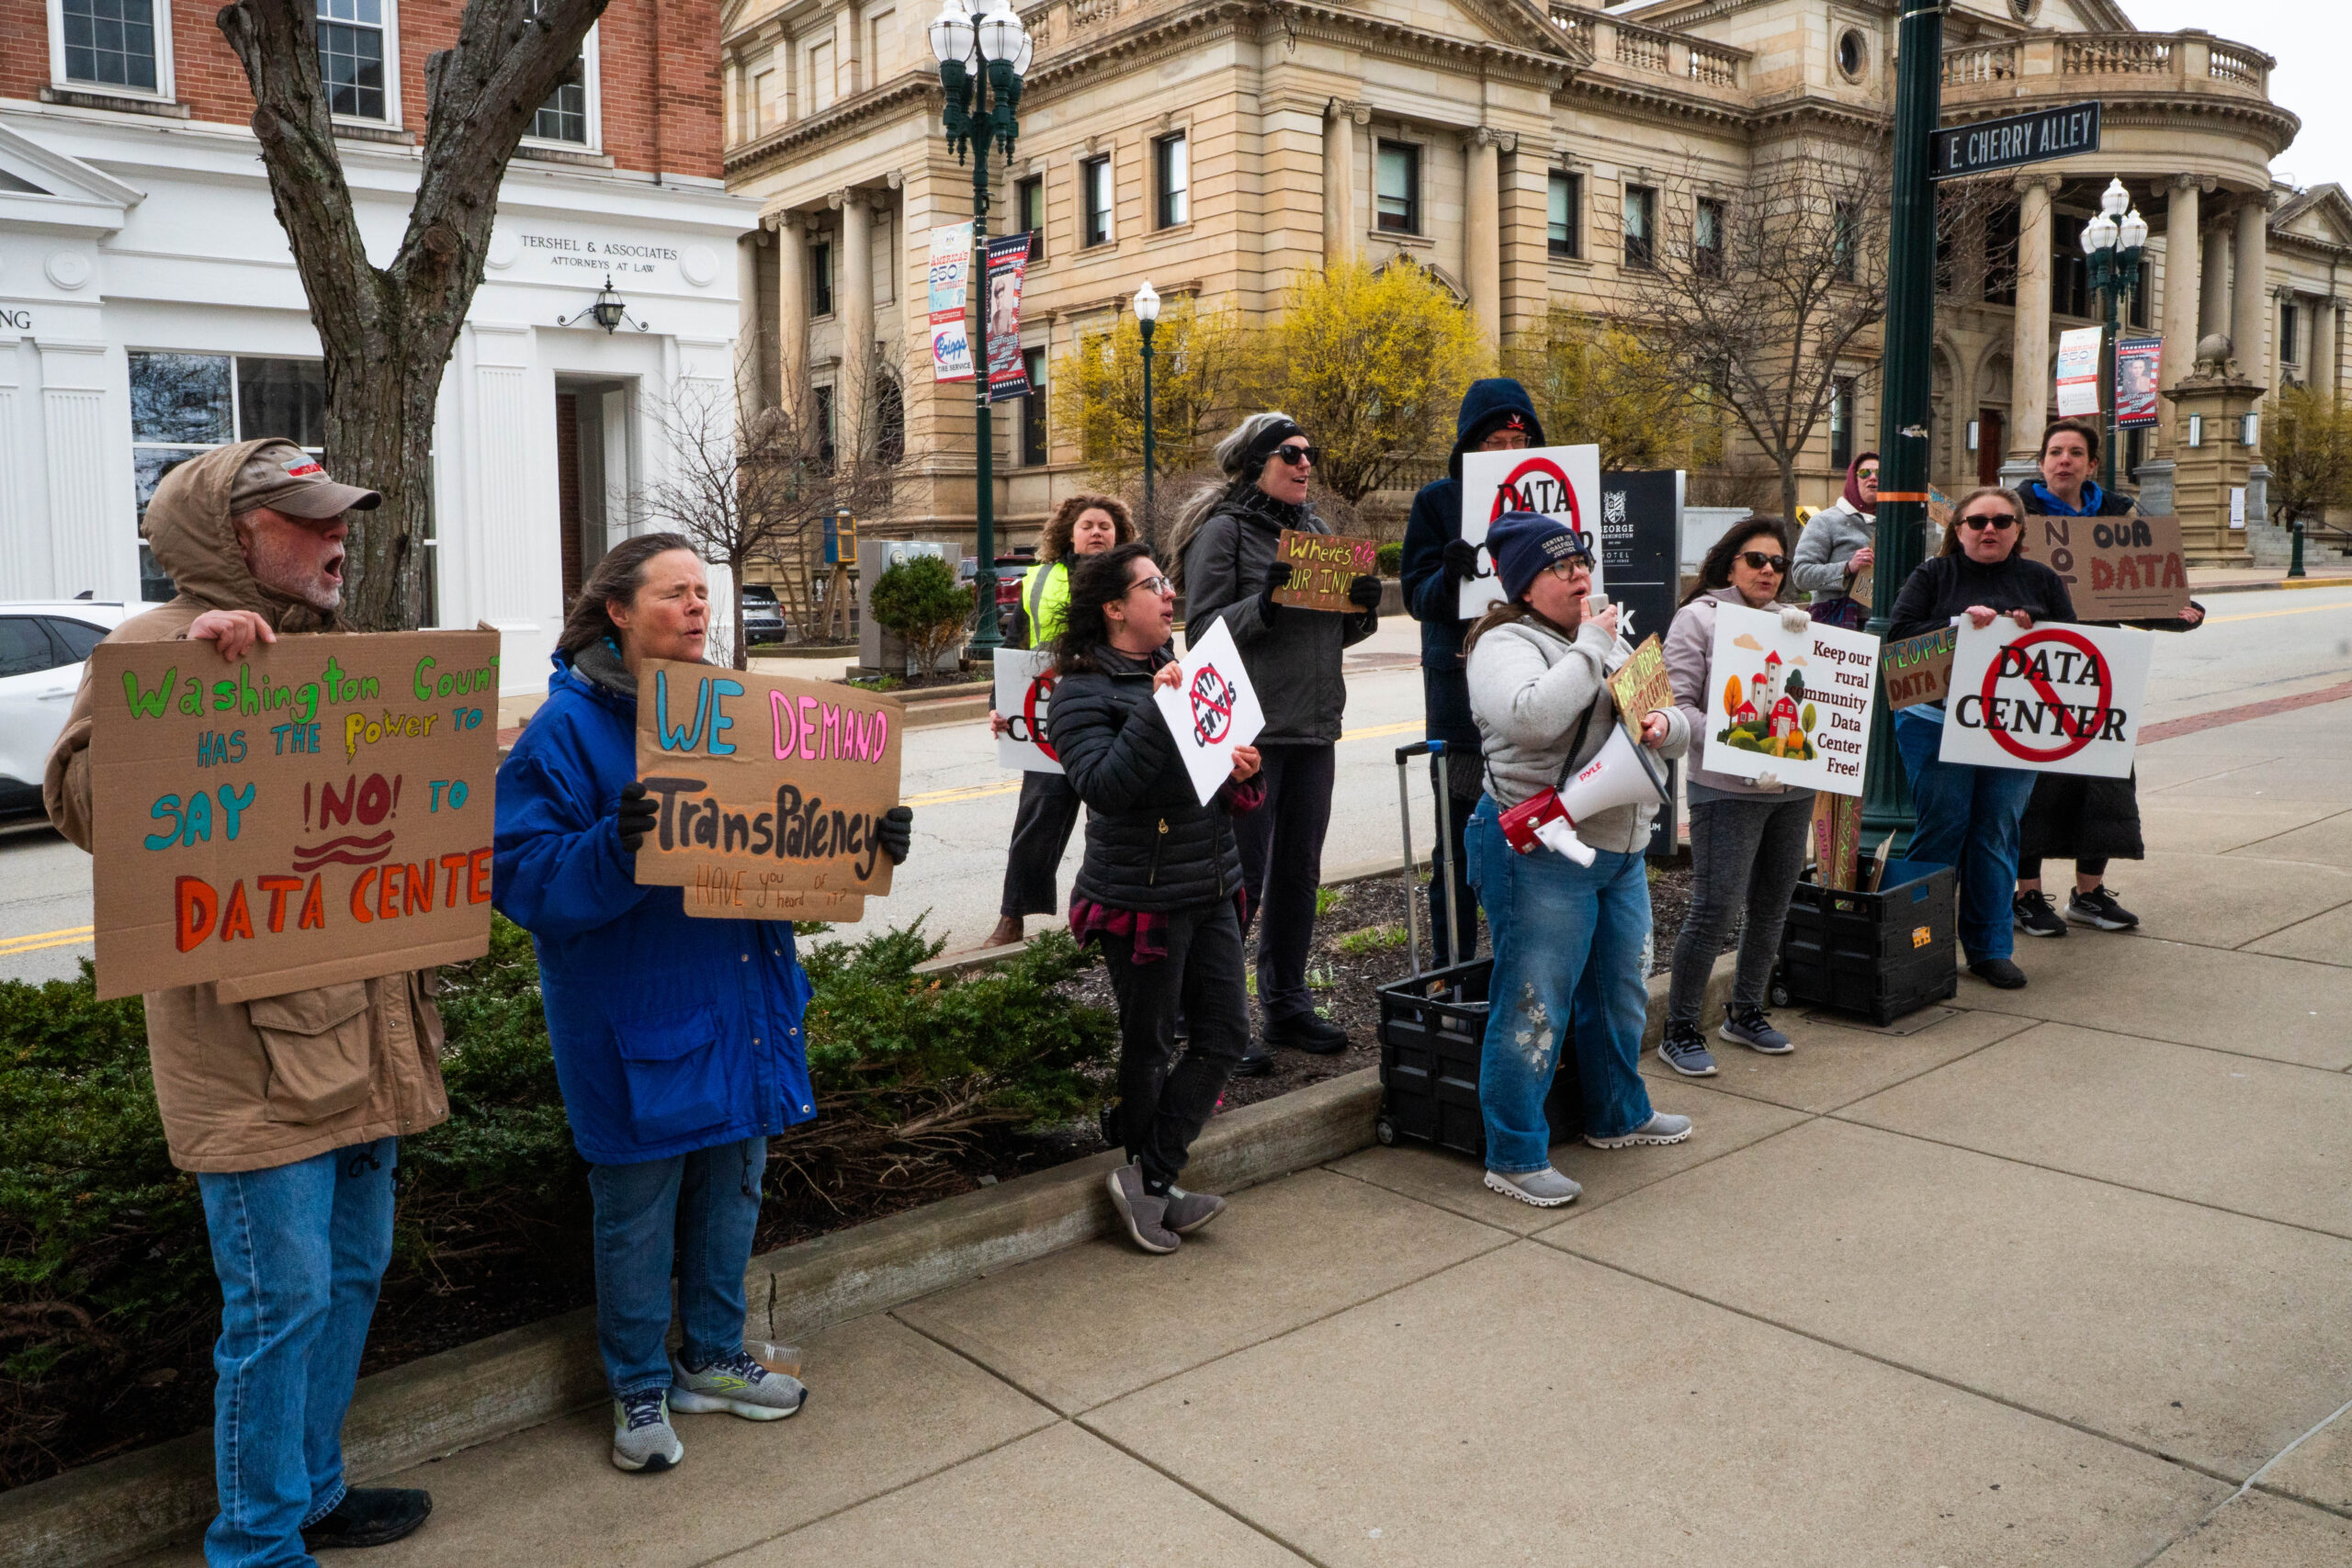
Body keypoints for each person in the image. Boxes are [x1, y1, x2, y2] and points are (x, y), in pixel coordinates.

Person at [43, 438, 444, 1563]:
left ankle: (311, 1490)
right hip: (254, 1060)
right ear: (232, 536)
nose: (337, 538)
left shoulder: (334, 654)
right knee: (281, 1309)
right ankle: (258, 1543)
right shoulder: (153, 648)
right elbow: (82, 806)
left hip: (364, 1035)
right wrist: (178, 698)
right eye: (309, 521)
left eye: (339, 519)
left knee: (350, 1281)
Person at [492, 535, 913, 1474]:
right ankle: (638, 1386)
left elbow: (788, 845)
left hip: (742, 999)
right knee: (636, 1213)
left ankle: (715, 1358)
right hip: (635, 1019)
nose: (697, 609)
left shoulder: (741, 714)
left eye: (702, 594)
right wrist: (614, 844)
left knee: (732, 1193)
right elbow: (522, 882)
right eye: (676, 593)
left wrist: (865, 839)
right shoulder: (564, 732)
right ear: (616, 609)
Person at [1464, 511, 1692, 1209]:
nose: (1580, 576)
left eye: (1582, 563)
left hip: (1618, 846)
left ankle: (1619, 1113)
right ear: (1524, 585)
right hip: (1540, 848)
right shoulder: (1502, 642)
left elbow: (1676, 725)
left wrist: (1664, 723)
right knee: (1535, 1000)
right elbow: (1530, 717)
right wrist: (1592, 647)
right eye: (1561, 568)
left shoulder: (1605, 637)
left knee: (1618, 989)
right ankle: (1515, 1152)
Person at [1049, 543, 1263, 1253]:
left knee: (1227, 1032)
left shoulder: (1183, 668)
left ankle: (1150, 1176)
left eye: (1167, 582)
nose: (1169, 595)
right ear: (1114, 608)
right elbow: (1104, 788)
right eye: (1152, 585)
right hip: (1140, 896)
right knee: (1148, 1044)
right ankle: (1152, 1188)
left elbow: (1206, 777)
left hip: (1210, 879)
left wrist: (1238, 768)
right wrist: (1156, 707)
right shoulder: (1079, 690)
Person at [1171, 412, 1381, 1072]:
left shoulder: (1316, 533)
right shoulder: (1224, 532)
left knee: (1299, 873)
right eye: (1291, 452)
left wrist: (1362, 611)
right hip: (1250, 737)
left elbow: (1325, 636)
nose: (1305, 462)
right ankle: (1213, 1020)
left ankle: (1286, 1002)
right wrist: (1262, 603)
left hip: (1315, 729)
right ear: (1258, 461)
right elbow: (1200, 634)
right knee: (1241, 879)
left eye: (1309, 451)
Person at [2007, 420, 2206, 939]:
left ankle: (2089, 893)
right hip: (2033, 669)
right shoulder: (2013, 517)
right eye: (2054, 452)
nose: (2063, 461)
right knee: (2031, 783)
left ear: (2092, 464)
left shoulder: (2119, 514)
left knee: (2104, 781)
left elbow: (2132, 592)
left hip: (2099, 667)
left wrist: (2175, 611)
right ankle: (2026, 897)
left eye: (2075, 453)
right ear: (2042, 461)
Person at [1886, 486, 2075, 990]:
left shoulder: (2042, 580)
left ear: (2018, 529)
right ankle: (1917, 942)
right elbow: (1899, 635)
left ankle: (1991, 948)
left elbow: (2073, 647)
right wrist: (1957, 625)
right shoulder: (1933, 575)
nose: (1988, 529)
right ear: (1959, 529)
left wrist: (2036, 630)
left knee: (1996, 832)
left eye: (2000, 521)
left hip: (2013, 730)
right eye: (1976, 522)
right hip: (1935, 723)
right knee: (1942, 826)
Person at [1657, 515, 1815, 1076]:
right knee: (1714, 908)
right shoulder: (1697, 618)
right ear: (1730, 564)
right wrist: (1745, 752)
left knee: (1772, 904)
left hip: (1793, 788)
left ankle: (1745, 1010)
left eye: (1778, 563)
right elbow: (1680, 706)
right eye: (1756, 560)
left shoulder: (1793, 623)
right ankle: (1678, 1027)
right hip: (1725, 789)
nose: (1768, 571)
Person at [1399, 378, 1546, 966]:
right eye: (1494, 441)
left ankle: (1527, 966)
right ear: (1469, 447)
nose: (1509, 450)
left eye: (1520, 439)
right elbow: (1415, 595)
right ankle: (1452, 968)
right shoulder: (1436, 502)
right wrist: (1448, 575)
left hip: (1535, 698)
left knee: (1535, 841)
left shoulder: (1551, 499)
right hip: (1461, 705)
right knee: (1458, 846)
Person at [984, 494, 1137, 950]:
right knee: (1037, 820)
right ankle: (1012, 918)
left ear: (1119, 534)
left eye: (1105, 526)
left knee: (1112, 824)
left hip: (1115, 713)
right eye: (1087, 525)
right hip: (1050, 718)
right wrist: (1001, 705)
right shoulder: (1041, 579)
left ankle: (1101, 917)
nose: (1096, 532)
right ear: (1069, 533)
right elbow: (1014, 648)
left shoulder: (1135, 579)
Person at [1791, 451, 1879, 628]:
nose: (1873, 478)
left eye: (1880, 473)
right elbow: (1801, 575)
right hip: (1840, 624)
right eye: (1864, 473)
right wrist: (1847, 568)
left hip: (1887, 627)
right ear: (1853, 480)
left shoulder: (1896, 524)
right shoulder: (1825, 521)